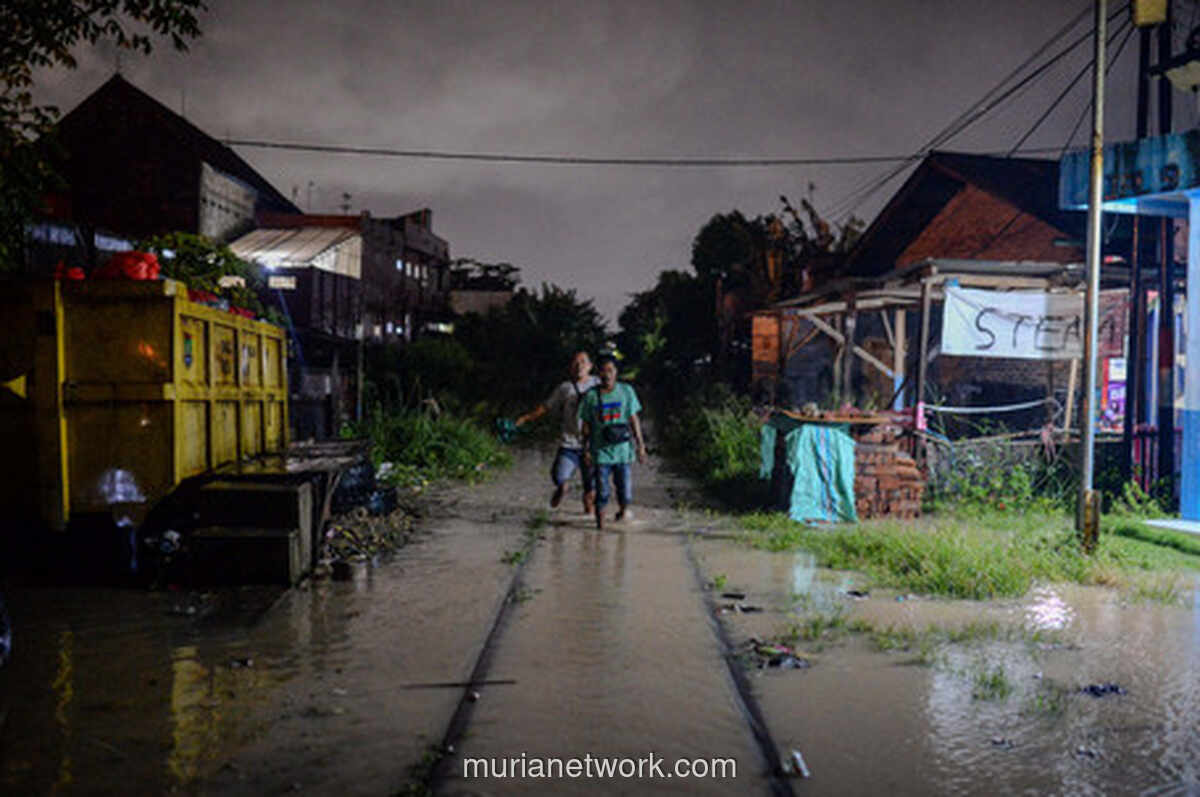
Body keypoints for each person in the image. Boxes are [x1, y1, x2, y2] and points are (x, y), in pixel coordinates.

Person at [515, 351, 600, 512]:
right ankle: (563, 489)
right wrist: (526, 418)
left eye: (583, 362)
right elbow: (547, 406)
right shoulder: (565, 388)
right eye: (575, 362)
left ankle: (589, 528)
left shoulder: (598, 384)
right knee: (558, 476)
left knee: (591, 489)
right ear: (570, 368)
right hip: (569, 443)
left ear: (590, 366)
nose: (579, 365)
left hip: (592, 445)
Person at [578, 354, 647, 528]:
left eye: (611, 370)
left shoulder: (626, 392)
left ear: (616, 373)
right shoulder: (590, 396)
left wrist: (641, 446)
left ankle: (623, 510)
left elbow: (634, 420)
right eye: (603, 371)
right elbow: (585, 426)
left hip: (623, 452)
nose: (607, 375)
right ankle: (599, 528)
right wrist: (585, 449)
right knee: (602, 492)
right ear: (598, 373)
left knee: (625, 493)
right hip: (600, 453)